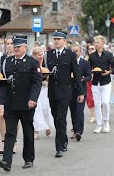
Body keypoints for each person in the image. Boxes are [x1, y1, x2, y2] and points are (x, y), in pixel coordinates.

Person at [0, 35, 42, 172]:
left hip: (27, 104)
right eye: (14, 46)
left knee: (28, 132)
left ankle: (28, 159)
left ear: (25, 47)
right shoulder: (7, 62)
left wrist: (33, 99)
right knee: (10, 133)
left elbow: (37, 83)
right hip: (10, 104)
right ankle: (6, 161)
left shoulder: (32, 62)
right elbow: (4, 83)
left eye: (18, 47)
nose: (15, 49)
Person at [45, 30, 84, 158]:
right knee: (56, 118)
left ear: (64, 41)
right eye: (54, 39)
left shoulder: (70, 55)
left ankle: (59, 147)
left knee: (61, 118)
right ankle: (64, 138)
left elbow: (77, 75)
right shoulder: (48, 54)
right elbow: (44, 72)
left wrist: (80, 92)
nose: (56, 41)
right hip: (52, 92)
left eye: (58, 39)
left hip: (65, 91)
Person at [88, 35, 114, 133]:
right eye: (95, 42)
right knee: (97, 104)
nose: (96, 44)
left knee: (105, 102)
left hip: (106, 81)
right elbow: (88, 68)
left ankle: (106, 121)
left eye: (97, 42)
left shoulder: (108, 55)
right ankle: (99, 124)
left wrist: (109, 72)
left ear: (102, 43)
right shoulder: (92, 56)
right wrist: (91, 72)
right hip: (95, 82)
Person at [0, 37, 20, 155]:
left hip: (15, 89)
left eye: (12, 44)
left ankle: (14, 141)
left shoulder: (18, 58)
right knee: (2, 115)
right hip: (3, 88)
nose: (10, 46)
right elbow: (0, 74)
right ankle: (3, 141)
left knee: (14, 116)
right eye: (8, 44)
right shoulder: (3, 58)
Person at [32, 47, 55, 140]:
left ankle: (47, 126)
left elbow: (51, 75)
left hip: (45, 88)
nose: (40, 56)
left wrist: (46, 76)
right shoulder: (32, 65)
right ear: (34, 56)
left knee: (46, 108)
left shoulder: (46, 64)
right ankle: (36, 130)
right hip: (36, 89)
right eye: (38, 55)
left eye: (41, 54)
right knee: (37, 109)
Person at [70, 44, 91, 141]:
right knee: (73, 111)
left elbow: (89, 76)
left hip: (81, 90)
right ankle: (75, 130)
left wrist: (83, 79)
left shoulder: (85, 63)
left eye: (76, 51)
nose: (74, 53)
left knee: (79, 111)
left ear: (80, 52)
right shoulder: (68, 63)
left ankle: (79, 131)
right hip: (70, 91)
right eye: (72, 51)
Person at [85, 44, 96, 123]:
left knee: (99, 98)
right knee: (90, 98)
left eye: (92, 49)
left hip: (98, 80)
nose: (91, 50)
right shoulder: (85, 59)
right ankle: (93, 115)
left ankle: (100, 114)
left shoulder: (99, 58)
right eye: (89, 49)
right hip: (89, 81)